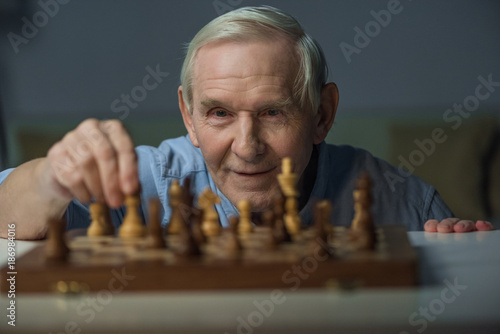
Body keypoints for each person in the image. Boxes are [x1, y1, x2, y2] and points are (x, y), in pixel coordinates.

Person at [0, 6, 493, 240]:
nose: (247, 145)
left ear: (322, 115)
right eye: (218, 113)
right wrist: (49, 177)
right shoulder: (144, 181)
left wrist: (464, 259)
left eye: (273, 112)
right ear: (188, 118)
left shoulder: (402, 202)